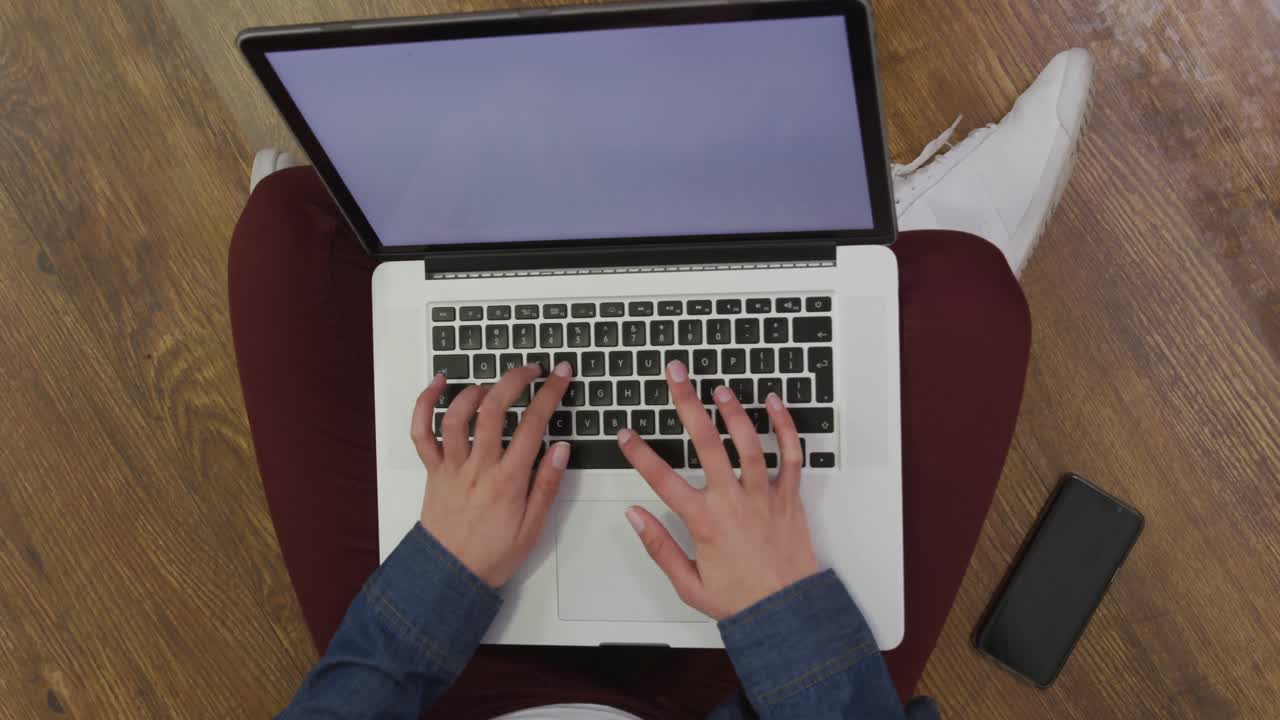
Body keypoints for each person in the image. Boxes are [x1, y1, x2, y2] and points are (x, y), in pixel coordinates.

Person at [231, 49, 1091, 719]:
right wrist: (782, 606)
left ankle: (542, 272)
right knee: (972, 295)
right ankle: (861, 267)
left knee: (287, 228)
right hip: (735, 704)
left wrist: (441, 573)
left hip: (451, 691)